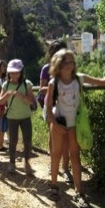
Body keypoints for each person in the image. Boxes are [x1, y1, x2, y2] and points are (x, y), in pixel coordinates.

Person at [44, 49, 105, 208]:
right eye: (66, 62)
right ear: (58, 64)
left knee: (75, 156)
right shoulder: (52, 83)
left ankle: (79, 192)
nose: (70, 65)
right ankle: (54, 186)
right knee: (55, 155)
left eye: (71, 62)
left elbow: (102, 81)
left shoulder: (79, 79)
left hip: (74, 124)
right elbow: (48, 108)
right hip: (58, 124)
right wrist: (54, 124)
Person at [38, 41, 73, 183]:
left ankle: (65, 169)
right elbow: (41, 89)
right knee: (53, 138)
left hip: (66, 107)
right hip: (51, 106)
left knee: (66, 140)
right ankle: (54, 166)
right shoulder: (46, 69)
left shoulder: (68, 69)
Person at [0, 59, 35, 175]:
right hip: (12, 117)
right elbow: (0, 101)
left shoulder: (27, 84)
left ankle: (27, 164)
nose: (14, 75)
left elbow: (31, 101)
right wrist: (7, 94)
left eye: (17, 72)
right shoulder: (6, 84)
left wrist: (21, 96)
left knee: (27, 141)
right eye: (12, 72)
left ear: (21, 72)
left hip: (25, 117)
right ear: (8, 73)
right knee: (13, 141)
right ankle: (12, 163)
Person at [0, 60, 8, 152]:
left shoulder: (4, 79)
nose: (5, 68)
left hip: (3, 104)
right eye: (3, 66)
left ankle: (0, 143)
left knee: (1, 123)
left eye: (5, 66)